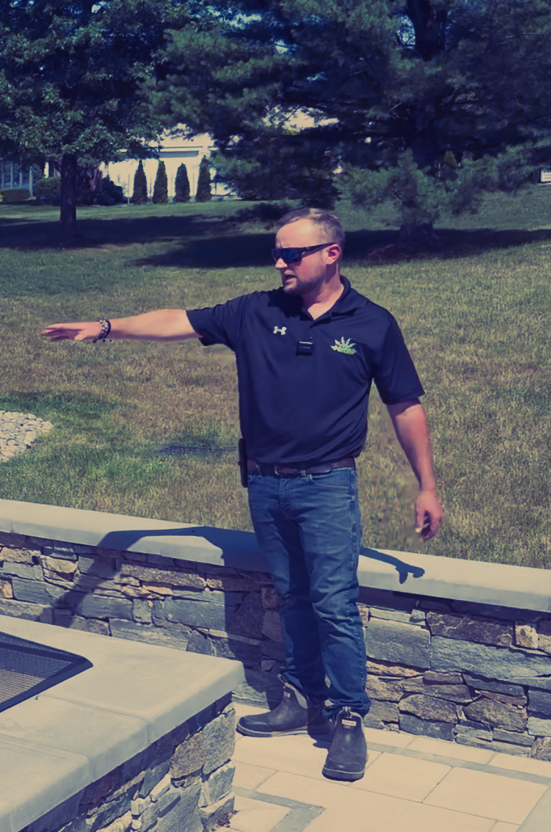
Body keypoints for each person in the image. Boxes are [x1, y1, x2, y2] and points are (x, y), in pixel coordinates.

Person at [41, 208, 442, 782]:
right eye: (275, 252)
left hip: (327, 483)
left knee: (332, 601)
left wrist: (426, 485)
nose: (279, 262)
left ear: (331, 254)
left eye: (291, 254)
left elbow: (404, 404)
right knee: (292, 596)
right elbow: (177, 320)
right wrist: (106, 327)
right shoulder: (256, 311)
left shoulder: (372, 323)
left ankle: (348, 717)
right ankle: (301, 700)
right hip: (265, 482)